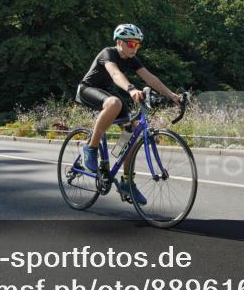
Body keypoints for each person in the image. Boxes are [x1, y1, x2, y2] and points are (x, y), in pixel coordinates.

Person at [75, 24, 182, 205]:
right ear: (119, 42)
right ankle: (91, 148)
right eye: (131, 44)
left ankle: (127, 183)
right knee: (115, 103)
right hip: (88, 89)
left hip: (107, 94)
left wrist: (172, 95)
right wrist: (131, 89)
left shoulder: (132, 59)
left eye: (137, 45)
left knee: (131, 132)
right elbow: (115, 74)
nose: (135, 48)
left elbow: (150, 78)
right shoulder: (108, 53)